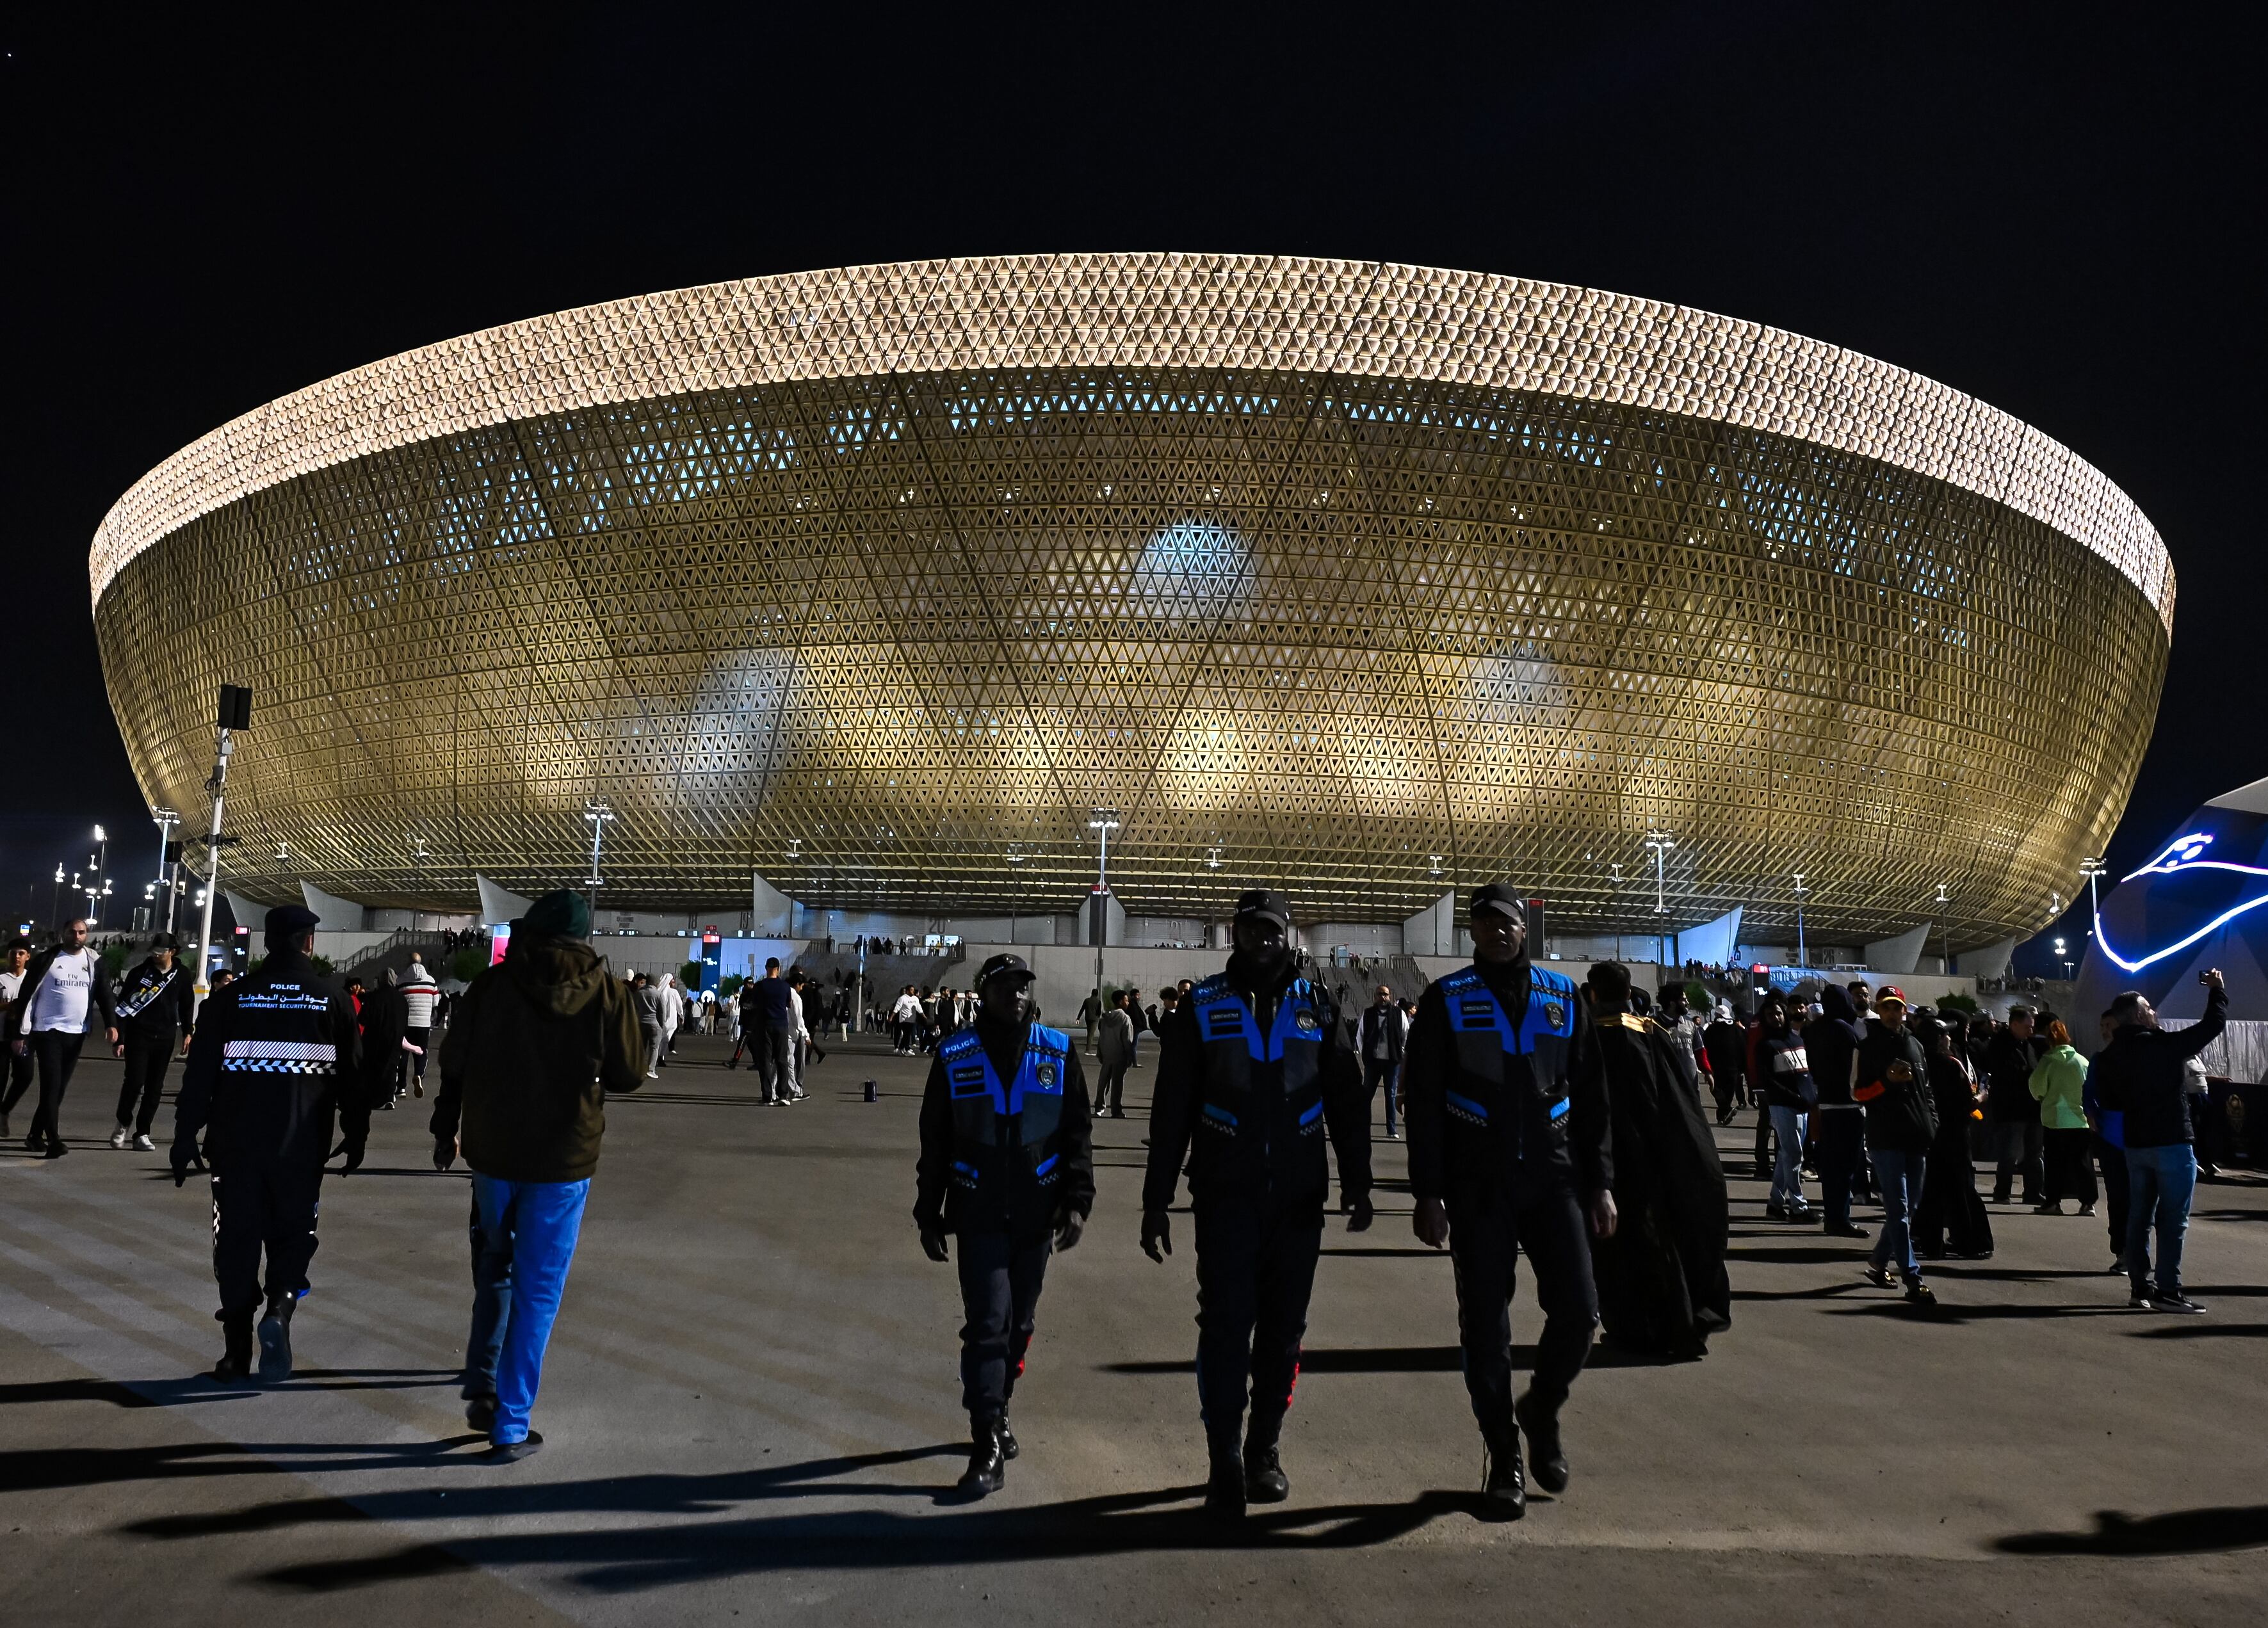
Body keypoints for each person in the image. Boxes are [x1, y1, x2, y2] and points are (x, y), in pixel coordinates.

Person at [1141, 889, 1373, 1517]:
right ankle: (1225, 1460)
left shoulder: (1318, 1005)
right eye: (1252, 929)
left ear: (1287, 934)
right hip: (1224, 1195)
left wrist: (1359, 1179)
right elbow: (1172, 1107)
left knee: (1282, 1332)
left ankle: (1263, 1447)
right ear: (1236, 935)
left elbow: (1346, 1100)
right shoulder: (1201, 1005)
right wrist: (1155, 1197)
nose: (1263, 940)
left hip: (1298, 1197)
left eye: (1273, 930)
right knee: (1222, 1327)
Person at [1401, 884, 1612, 1515]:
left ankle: (1540, 1407)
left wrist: (1600, 1181)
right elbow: (1423, 1105)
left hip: (1552, 1180)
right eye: (1486, 922)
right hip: (1476, 1185)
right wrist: (1426, 1192)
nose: (1497, 931)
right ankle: (1504, 1456)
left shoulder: (1560, 995)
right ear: (1472, 932)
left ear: (1526, 929)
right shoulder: (1447, 998)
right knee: (1484, 1327)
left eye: (1508, 922)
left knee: (1580, 1311)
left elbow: (1592, 1097)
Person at [431, 889, 645, 1458]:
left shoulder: (491, 985)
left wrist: (445, 1126)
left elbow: (453, 1061)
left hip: (494, 1152)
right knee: (539, 1290)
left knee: (495, 1264)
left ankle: (481, 1380)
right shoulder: (607, 991)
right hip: (563, 1157)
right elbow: (630, 1074)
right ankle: (511, 1422)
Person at [914, 953, 1094, 1495]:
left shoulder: (1059, 1053)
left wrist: (1078, 1199)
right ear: (984, 992)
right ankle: (985, 1438)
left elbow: (1077, 1135)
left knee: (1019, 1325)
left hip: (1038, 1214)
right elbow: (936, 1141)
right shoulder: (953, 1055)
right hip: (978, 1210)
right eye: (1004, 986)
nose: (1016, 994)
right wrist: (929, 1211)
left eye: (1022, 986)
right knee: (989, 1322)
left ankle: (1002, 1404)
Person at [170, 905, 365, 1380]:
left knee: (235, 1242)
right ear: (309, 942)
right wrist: (355, 1135)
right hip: (301, 1146)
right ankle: (279, 1309)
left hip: (235, 1146)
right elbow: (354, 1079)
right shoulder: (332, 999)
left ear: (268, 941)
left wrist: (183, 1135)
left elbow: (199, 1077)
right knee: (294, 1234)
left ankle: (236, 1352)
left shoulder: (229, 1000)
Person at [1583, 962, 1729, 1360]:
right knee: (1665, 1240)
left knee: (1619, 1249)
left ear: (1593, 994)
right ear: (1629, 992)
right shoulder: (1652, 1032)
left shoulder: (1588, 1038)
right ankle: (1678, 1324)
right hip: (1659, 1154)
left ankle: (1637, 1329)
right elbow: (1679, 1099)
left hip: (1612, 1159)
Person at [2095, 969, 2226, 1314]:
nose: (2154, 1012)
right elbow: (2212, 1025)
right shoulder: (2162, 1046)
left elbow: (2108, 1102)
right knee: (2173, 1219)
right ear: (2139, 1015)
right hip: (2170, 1140)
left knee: (2140, 1216)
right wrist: (2216, 990)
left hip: (2136, 1145)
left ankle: (2141, 1285)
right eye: (2150, 1008)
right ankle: (2169, 1288)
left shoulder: (2108, 1057)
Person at [1853, 988, 1938, 1305]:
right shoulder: (1867, 1046)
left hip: (1917, 1136)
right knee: (1899, 1209)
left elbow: (1926, 1089)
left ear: (1905, 1011)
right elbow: (1857, 1094)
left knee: (1908, 1209)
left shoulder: (1915, 1045)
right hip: (1885, 1138)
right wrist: (1886, 1081)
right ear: (1878, 1009)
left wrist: (1932, 1122)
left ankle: (1878, 1263)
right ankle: (1913, 1278)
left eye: (1897, 1008)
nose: (1892, 1013)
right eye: (1886, 1008)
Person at [10, 916, 120, 1156]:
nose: (77, 937)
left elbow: (104, 993)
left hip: (77, 1032)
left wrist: (111, 1025)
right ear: (63, 933)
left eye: (82, 933)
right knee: (51, 1087)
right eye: (72, 932)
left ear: (87, 935)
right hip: (47, 1031)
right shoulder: (48, 959)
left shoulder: (94, 961)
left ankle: (34, 1135)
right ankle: (54, 1140)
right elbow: (27, 995)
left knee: (58, 1090)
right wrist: (20, 1032)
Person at [1910, 1014, 1993, 1260]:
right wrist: (1982, 1097)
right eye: (1945, 1034)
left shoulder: (1918, 1065)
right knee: (1962, 1189)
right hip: (1955, 1134)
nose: (1949, 1038)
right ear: (1937, 1039)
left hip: (1929, 1134)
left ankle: (1931, 1244)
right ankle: (1972, 1241)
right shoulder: (1950, 1065)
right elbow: (1965, 1102)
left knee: (1932, 1190)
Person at [109, 932, 197, 1150]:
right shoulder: (140, 973)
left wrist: (188, 1031)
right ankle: (123, 1124)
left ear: (172, 952)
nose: (156, 956)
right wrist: (120, 1037)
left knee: (155, 1087)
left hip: (165, 1037)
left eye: (161, 952)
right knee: (134, 1081)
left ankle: (142, 1133)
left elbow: (187, 1004)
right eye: (154, 952)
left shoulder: (182, 974)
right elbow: (123, 1007)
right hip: (139, 1035)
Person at [1802, 983, 1870, 1239]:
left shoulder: (1814, 1030)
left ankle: (1833, 1216)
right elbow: (1855, 1069)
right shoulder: (1846, 1031)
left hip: (1824, 1104)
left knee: (1830, 1166)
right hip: (1848, 1105)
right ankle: (1841, 1217)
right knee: (1846, 1165)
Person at [1749, 990, 1814, 1221]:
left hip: (1803, 1107)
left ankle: (1775, 1203)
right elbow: (1770, 1082)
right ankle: (1799, 1207)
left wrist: (1810, 1096)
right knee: (1794, 1156)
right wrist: (1796, 1098)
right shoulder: (1765, 1046)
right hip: (1784, 1107)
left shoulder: (1798, 1040)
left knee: (1788, 1156)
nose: (1775, 1018)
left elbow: (1806, 1074)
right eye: (1770, 1015)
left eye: (1778, 1013)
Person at [2029, 1020, 2097, 1216]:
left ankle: (2053, 1202)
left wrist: (2042, 1097)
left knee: (2055, 1164)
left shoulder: (2048, 1061)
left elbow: (2037, 1088)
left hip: (2055, 1120)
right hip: (2080, 1119)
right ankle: (2088, 1204)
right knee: (2083, 1163)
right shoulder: (2082, 1061)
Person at [2084, 1009, 2130, 1275]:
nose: (2104, 1030)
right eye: (2102, 1025)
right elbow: (2089, 1092)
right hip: (2112, 1139)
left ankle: (2138, 1250)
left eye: (2109, 1025)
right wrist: (2091, 1113)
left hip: (2142, 1138)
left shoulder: (2140, 1056)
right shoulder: (2099, 1060)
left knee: (2142, 1199)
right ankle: (2122, 1251)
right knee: (2118, 1196)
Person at [1984, 1007, 2045, 1205]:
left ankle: (2033, 1191)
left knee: (2034, 1153)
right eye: (2027, 1027)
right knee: (2010, 1153)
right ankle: (2002, 1191)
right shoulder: (2000, 1046)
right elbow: (2004, 1074)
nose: (2031, 1031)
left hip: (2030, 1108)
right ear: (2014, 1025)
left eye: (2032, 1027)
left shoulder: (2026, 1044)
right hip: (2012, 1109)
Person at [744, 958, 797, 1105]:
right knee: (782, 1060)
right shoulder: (785, 986)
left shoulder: (760, 986)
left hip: (764, 1025)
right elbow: (789, 1004)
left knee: (765, 1061)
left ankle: (767, 1095)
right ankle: (783, 1095)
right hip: (781, 1025)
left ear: (766, 968)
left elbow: (754, 1003)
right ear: (778, 969)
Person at [1357, 983, 1407, 1140]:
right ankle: (1363, 1127)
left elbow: (1405, 1033)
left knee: (1391, 1095)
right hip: (1373, 1062)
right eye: (1380, 994)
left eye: (1385, 994)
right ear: (1375, 997)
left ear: (1390, 996)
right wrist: (1365, 1056)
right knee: (1367, 1095)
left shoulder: (1399, 1014)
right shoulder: (1368, 1014)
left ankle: (1391, 1129)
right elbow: (1360, 1036)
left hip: (1391, 1062)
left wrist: (1401, 1051)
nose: (1383, 997)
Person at [400, 952, 441, 1098]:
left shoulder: (401, 981)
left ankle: (401, 1088)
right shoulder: (431, 981)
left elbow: (398, 1003)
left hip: (406, 1024)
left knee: (403, 1055)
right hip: (423, 1024)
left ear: (408, 963)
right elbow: (436, 1003)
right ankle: (418, 1075)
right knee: (421, 1052)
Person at [1701, 1003, 1747, 1125]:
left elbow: (1703, 1046)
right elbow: (1743, 1048)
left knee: (1717, 1089)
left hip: (1716, 1066)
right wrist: (1743, 1067)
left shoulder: (1711, 1029)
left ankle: (1723, 1114)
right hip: (1732, 1067)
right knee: (1728, 1091)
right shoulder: (1737, 1030)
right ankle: (1725, 1111)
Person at [1094, 990, 1135, 1118]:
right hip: (1120, 1055)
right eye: (1126, 1000)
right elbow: (1127, 1040)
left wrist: (1100, 1053)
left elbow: (1102, 1037)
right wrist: (1130, 1057)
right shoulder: (1125, 1018)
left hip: (1107, 1054)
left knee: (1103, 1083)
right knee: (1117, 1084)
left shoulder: (1105, 1018)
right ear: (1120, 1002)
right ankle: (1116, 1110)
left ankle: (1099, 1107)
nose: (1128, 1002)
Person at [656, 972, 685, 1068]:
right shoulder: (674, 992)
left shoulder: (659, 992)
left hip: (660, 1019)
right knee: (665, 1040)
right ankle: (660, 1058)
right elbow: (679, 1005)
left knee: (660, 1040)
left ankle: (658, 1057)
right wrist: (681, 1016)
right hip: (671, 1020)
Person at [893, 985, 923, 1054]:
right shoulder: (900, 999)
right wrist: (892, 1018)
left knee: (907, 1034)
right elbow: (896, 1009)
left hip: (910, 1020)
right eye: (903, 992)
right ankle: (900, 1047)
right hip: (901, 1019)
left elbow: (917, 1007)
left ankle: (903, 1048)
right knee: (900, 1034)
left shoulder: (912, 999)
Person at [1078, 988, 1103, 1056]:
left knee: (1089, 1033)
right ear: (1097, 994)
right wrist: (1098, 1016)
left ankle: (1088, 1048)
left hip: (1088, 1018)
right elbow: (1099, 1011)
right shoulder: (1099, 1002)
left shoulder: (1087, 1000)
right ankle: (1088, 1049)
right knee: (1091, 1034)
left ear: (1092, 993)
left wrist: (1078, 1018)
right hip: (1095, 1019)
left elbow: (1082, 1009)